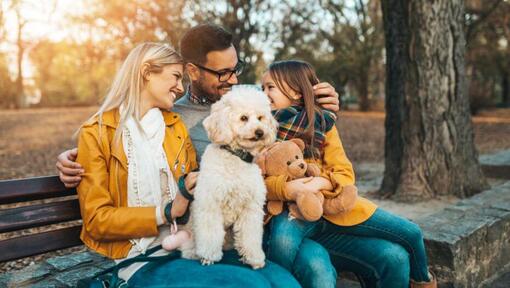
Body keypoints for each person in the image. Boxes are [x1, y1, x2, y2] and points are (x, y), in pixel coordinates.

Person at [57, 24, 341, 287]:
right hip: (143, 255)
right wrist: (74, 157)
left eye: (236, 68)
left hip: (203, 235)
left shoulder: (175, 125)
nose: (235, 79)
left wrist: (319, 103)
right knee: (255, 285)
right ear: (147, 73)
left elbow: (290, 105)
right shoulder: (108, 130)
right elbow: (97, 218)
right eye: (175, 77)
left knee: (284, 282)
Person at [260, 60, 437, 288]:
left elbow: (344, 174)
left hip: (333, 212)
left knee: (401, 248)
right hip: (290, 216)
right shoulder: (259, 127)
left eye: (270, 87)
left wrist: (318, 183)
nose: (263, 93)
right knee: (285, 244)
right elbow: (256, 178)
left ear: (295, 91)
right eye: (262, 87)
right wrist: (289, 189)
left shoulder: (324, 125)